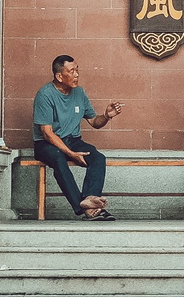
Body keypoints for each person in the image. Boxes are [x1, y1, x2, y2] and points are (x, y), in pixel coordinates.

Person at [33, 54, 123, 220]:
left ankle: (90, 199)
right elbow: (47, 133)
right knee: (58, 158)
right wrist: (71, 154)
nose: (76, 75)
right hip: (46, 144)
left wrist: (106, 116)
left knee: (97, 157)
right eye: (71, 71)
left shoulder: (79, 93)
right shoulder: (45, 95)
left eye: (77, 70)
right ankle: (83, 208)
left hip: (72, 140)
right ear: (59, 76)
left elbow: (94, 122)